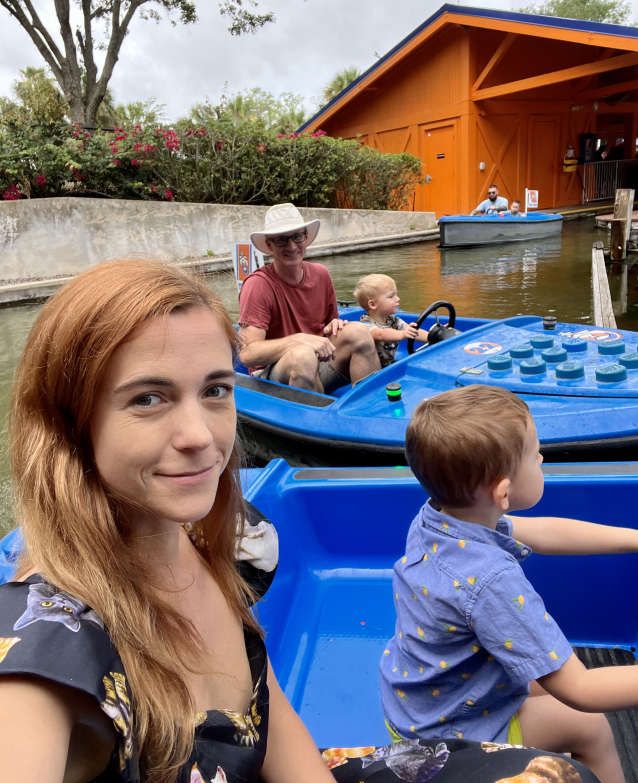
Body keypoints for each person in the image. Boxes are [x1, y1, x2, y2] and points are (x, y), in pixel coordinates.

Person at [0, 260, 598, 783]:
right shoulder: (52, 647)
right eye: (147, 399)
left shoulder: (235, 541)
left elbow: (265, 710)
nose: (201, 436)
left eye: (214, 390)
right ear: (69, 426)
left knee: (558, 774)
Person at [379, 385, 638, 783]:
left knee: (541, 682)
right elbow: (580, 688)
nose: (541, 456)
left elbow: (548, 533)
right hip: (448, 738)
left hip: (420, 705)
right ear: (503, 492)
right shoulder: (490, 580)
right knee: (590, 725)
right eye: (534, 453)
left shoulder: (443, 517)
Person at [239, 203, 380, 393]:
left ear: (305, 236)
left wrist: (335, 325)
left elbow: (331, 323)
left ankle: (370, 408)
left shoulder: (321, 274)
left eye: (297, 236)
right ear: (269, 245)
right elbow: (248, 354)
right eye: (281, 239)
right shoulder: (258, 285)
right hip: (272, 376)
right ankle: (319, 420)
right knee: (303, 355)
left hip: (317, 359)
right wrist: (299, 340)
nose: (292, 245)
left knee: (359, 331)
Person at [354, 274, 428, 367]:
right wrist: (403, 334)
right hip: (371, 369)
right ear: (373, 304)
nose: (398, 298)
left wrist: (433, 336)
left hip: (387, 365)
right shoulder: (366, 325)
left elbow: (413, 331)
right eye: (391, 296)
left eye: (396, 294)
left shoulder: (393, 319)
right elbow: (381, 334)